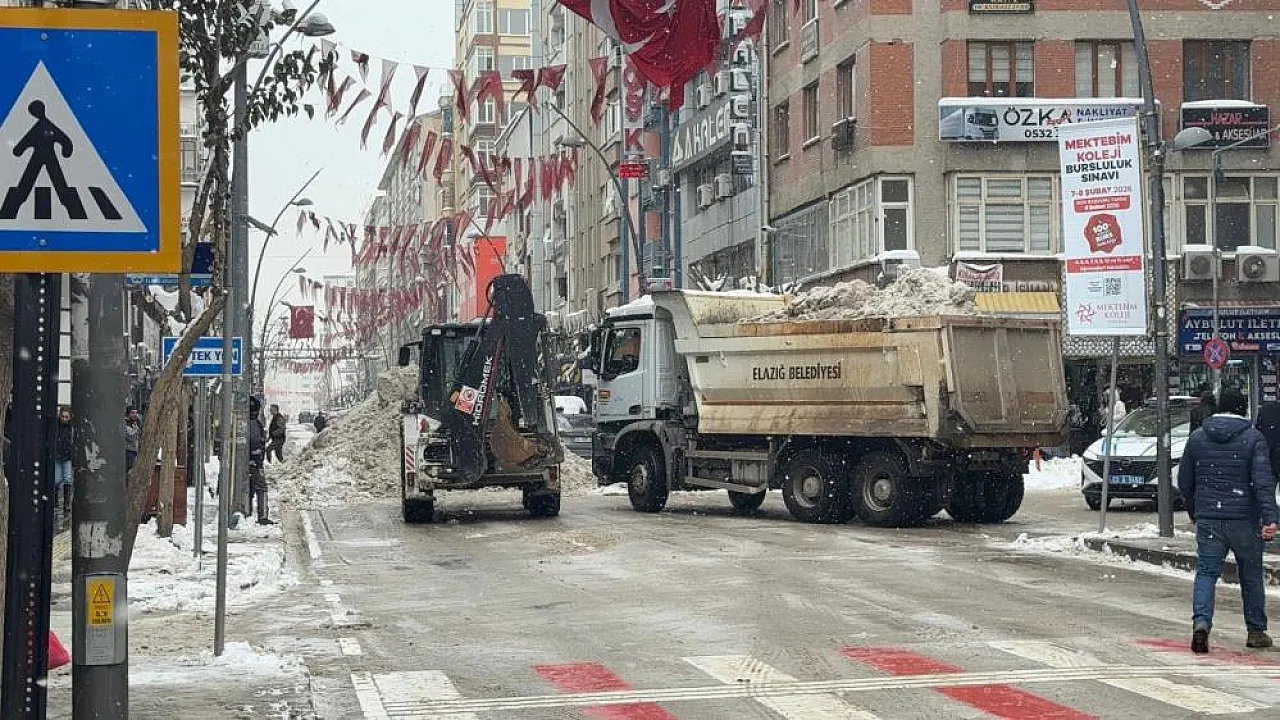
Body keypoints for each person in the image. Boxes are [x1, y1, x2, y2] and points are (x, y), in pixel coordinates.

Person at [1178, 388, 1278, 654]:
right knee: (1251, 574)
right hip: (1245, 519)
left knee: (1207, 573)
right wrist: (1270, 517)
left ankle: (1201, 623)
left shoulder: (1198, 437)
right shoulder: (1253, 438)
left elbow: (1184, 480)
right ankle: (1256, 631)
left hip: (1210, 518)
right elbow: (1263, 482)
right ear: (1243, 409)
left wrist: (1194, 509)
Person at [247, 396, 274, 525]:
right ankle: (262, 516)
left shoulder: (249, 422)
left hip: (250, 461)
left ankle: (247, 512)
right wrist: (256, 459)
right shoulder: (253, 424)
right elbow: (255, 444)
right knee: (261, 487)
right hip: (254, 463)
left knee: (250, 488)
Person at [54, 406, 73, 512]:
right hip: (59, 455)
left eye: (66, 417)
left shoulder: (71, 428)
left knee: (67, 479)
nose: (64, 419)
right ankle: (56, 500)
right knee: (57, 479)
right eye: (63, 416)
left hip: (67, 455)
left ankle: (66, 503)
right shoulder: (56, 426)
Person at [123, 407, 141, 472]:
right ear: (128, 414)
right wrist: (136, 430)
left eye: (136, 413)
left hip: (134, 450)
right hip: (128, 451)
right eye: (133, 413)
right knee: (127, 470)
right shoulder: (125, 424)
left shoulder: (134, 424)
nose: (135, 415)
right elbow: (130, 437)